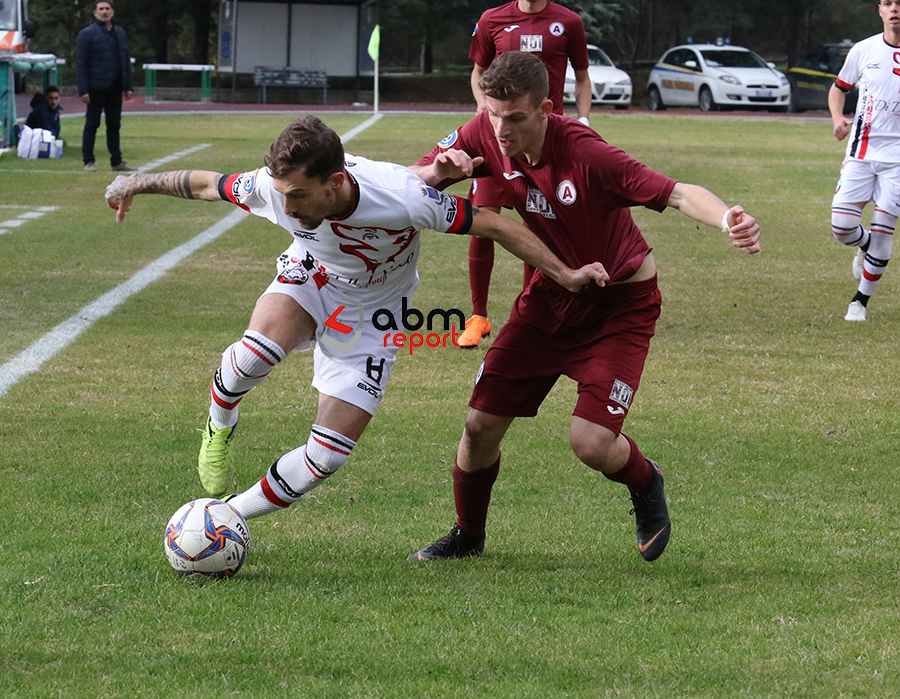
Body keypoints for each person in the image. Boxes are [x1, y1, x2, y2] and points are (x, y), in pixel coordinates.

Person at [104, 115, 606, 524]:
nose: (285, 205)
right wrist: (137, 182)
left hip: (375, 315)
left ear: (336, 181)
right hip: (311, 278)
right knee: (249, 361)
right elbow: (208, 185)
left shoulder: (401, 198)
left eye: (298, 195)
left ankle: (224, 518)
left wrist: (564, 273)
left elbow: (493, 223)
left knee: (328, 455)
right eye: (280, 193)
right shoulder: (274, 190)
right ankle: (218, 426)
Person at [407, 51, 761, 563]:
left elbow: (679, 194)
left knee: (591, 443)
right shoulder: (482, 131)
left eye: (515, 117)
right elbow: (405, 182)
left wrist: (729, 220)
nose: (500, 130)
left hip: (620, 306)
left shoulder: (589, 155)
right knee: (478, 427)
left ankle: (646, 480)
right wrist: (436, 171)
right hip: (548, 300)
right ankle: (468, 534)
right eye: (492, 113)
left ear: (547, 108)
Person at [459, 0, 592, 348]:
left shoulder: (569, 22)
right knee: (483, 219)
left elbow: (582, 77)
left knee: (541, 226)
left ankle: (529, 312)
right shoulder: (492, 19)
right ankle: (479, 316)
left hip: (543, 143)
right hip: (497, 139)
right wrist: (484, 106)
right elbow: (478, 72)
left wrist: (584, 120)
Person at [828, 0, 900, 322]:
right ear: (880, 11)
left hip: (898, 159)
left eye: (899, 3)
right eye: (888, 3)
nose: (894, 8)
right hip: (861, 152)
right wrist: (836, 118)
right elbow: (838, 88)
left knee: (885, 229)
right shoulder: (863, 50)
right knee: (842, 228)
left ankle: (859, 302)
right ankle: (865, 244)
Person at [77, 0, 135, 173]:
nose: (104, 12)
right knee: (92, 124)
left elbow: (124, 60)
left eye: (107, 9)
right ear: (95, 12)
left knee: (114, 125)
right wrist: (83, 89)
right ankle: (88, 161)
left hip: (115, 86)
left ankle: (116, 161)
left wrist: (127, 85)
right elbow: (81, 62)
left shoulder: (119, 32)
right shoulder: (86, 34)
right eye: (101, 9)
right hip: (95, 87)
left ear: (112, 12)